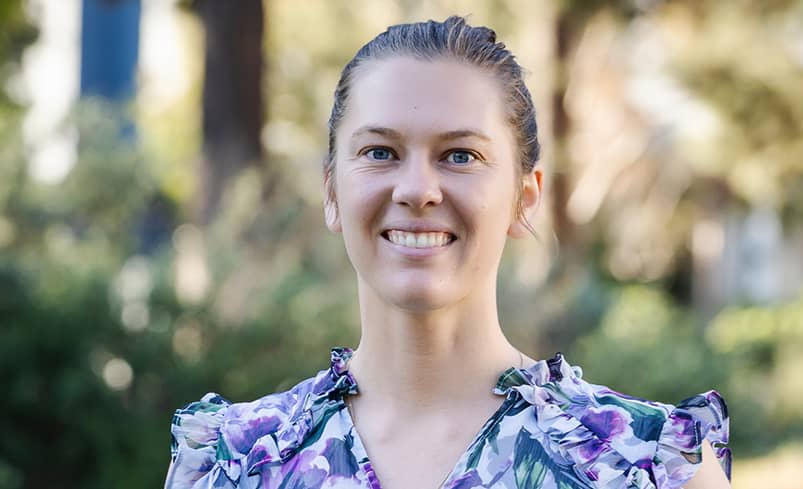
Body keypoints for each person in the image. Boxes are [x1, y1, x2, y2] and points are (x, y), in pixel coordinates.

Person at [164, 16, 731, 489]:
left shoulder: (651, 467)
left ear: (523, 198)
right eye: (381, 151)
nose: (417, 189)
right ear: (332, 191)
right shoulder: (231, 465)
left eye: (460, 156)